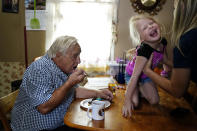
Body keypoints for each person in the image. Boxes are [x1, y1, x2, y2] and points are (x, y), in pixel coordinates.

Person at [10, 35, 113, 131]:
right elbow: (44, 107)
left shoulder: (62, 68)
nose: (79, 61)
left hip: (60, 123)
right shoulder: (39, 69)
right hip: (34, 128)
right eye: (75, 56)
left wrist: (98, 93)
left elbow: (74, 91)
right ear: (58, 55)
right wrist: (69, 83)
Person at [143, 0, 197, 99]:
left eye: (174, 8)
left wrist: (146, 70)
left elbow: (177, 90)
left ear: (182, 8)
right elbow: (189, 65)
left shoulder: (186, 41)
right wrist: (166, 61)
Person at [122, 15, 171, 118]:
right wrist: (126, 101)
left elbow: (165, 59)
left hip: (145, 76)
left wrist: (166, 72)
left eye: (151, 23)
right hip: (132, 75)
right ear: (141, 38)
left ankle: (141, 88)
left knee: (155, 101)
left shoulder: (162, 42)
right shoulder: (144, 51)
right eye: (145, 28)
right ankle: (134, 90)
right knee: (134, 103)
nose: (150, 27)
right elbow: (135, 76)